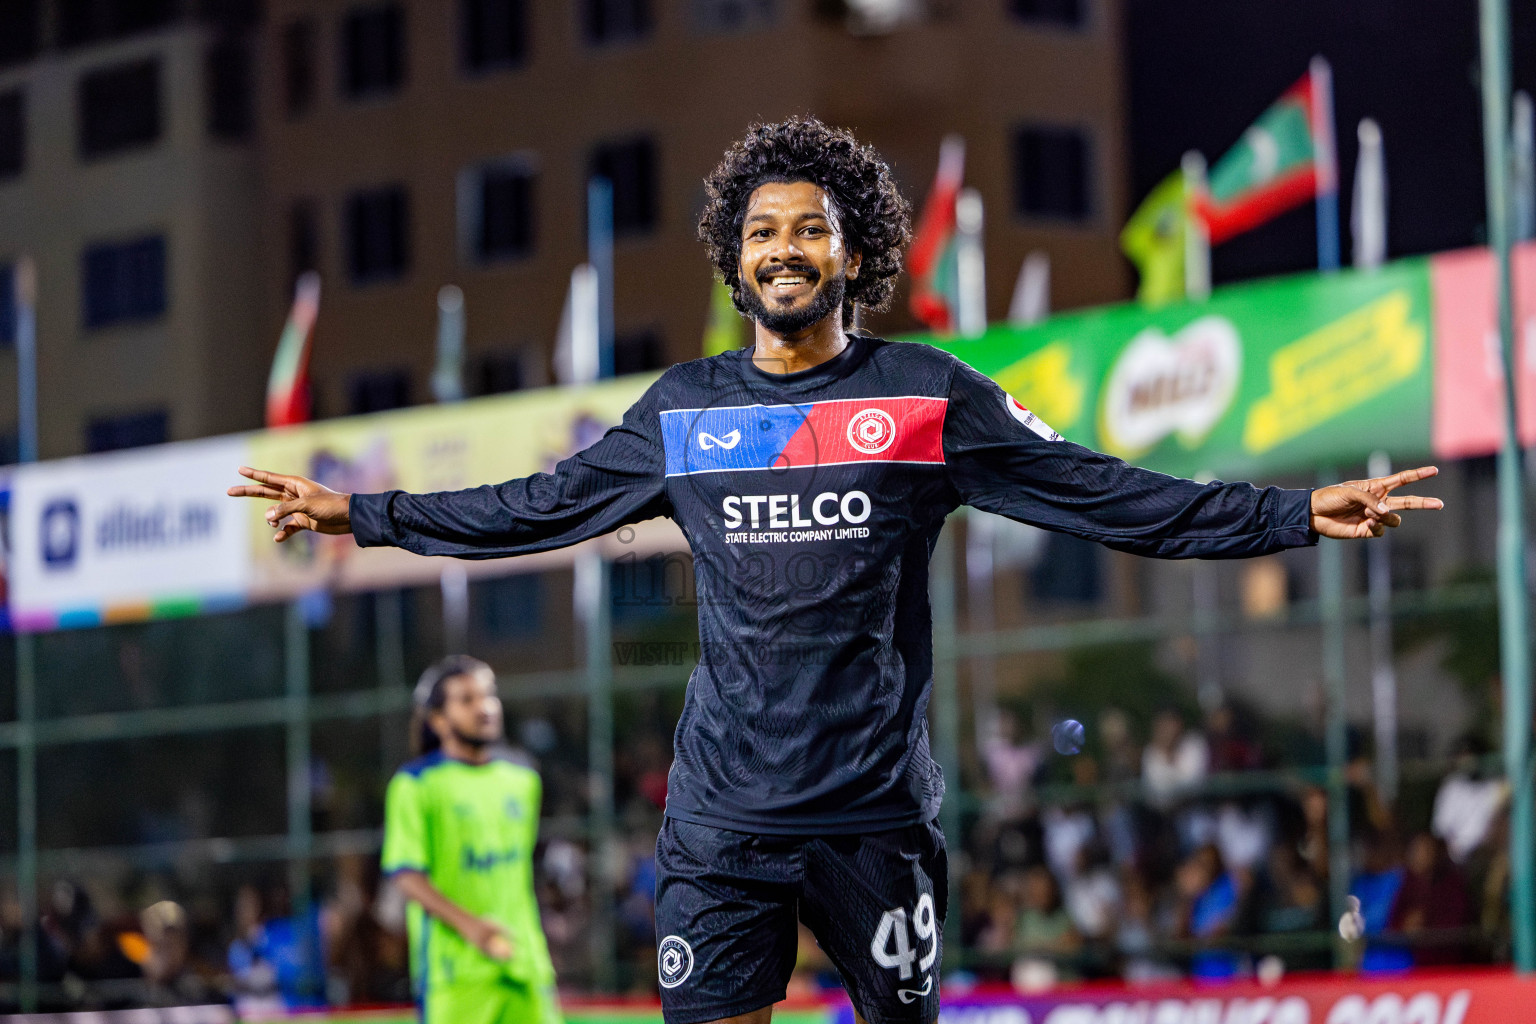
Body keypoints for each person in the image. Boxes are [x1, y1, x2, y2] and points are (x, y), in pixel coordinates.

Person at [230, 117, 1442, 1024]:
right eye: (761, 232)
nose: (785, 248)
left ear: (852, 249)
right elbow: (534, 508)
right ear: (733, 259)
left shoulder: (927, 396)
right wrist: (360, 514)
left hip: (874, 818)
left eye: (810, 226)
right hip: (722, 823)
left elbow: (1105, 495)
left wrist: (1289, 514)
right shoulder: (686, 412)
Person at [379, 655, 561, 1024]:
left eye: (488, 696)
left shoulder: (523, 778)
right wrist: (473, 928)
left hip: (525, 964)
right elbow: (407, 876)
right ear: (437, 719)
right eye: (467, 699)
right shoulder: (414, 785)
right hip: (455, 976)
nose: (485, 707)